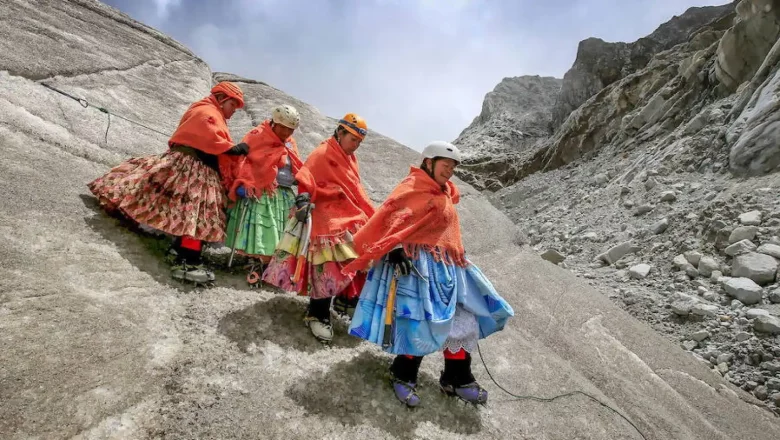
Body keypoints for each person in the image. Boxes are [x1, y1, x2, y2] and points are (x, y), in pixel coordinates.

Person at [342, 141, 514, 407]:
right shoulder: (411, 188)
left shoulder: (444, 193)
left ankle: (457, 377)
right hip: (416, 267)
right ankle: (403, 373)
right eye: (446, 166)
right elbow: (389, 217)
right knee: (419, 323)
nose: (450, 172)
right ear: (428, 162)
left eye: (453, 168)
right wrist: (395, 248)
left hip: (447, 266)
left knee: (463, 317)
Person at [87, 81, 249, 284]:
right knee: (197, 215)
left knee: (192, 213)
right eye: (233, 105)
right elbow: (208, 139)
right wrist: (232, 149)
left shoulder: (209, 111)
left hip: (196, 166)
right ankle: (186, 262)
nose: (234, 110)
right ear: (222, 99)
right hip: (192, 166)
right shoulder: (207, 112)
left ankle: (178, 250)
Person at [263, 113, 376, 343]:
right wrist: (303, 199)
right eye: (353, 139)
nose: (356, 145)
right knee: (328, 265)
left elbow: (355, 188)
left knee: (360, 257)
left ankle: (345, 301)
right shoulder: (323, 152)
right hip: (323, 213)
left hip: (347, 212)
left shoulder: (351, 159)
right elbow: (306, 177)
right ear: (340, 132)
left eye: (359, 142)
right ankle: (317, 312)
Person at [222, 105, 303, 285]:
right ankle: (258, 264)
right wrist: (246, 181)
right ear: (274, 123)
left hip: (284, 193)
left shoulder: (290, 142)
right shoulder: (257, 135)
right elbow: (245, 161)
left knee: (281, 233)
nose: (287, 132)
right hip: (262, 190)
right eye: (284, 127)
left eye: (291, 129)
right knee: (265, 230)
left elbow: (295, 163)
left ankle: (272, 266)